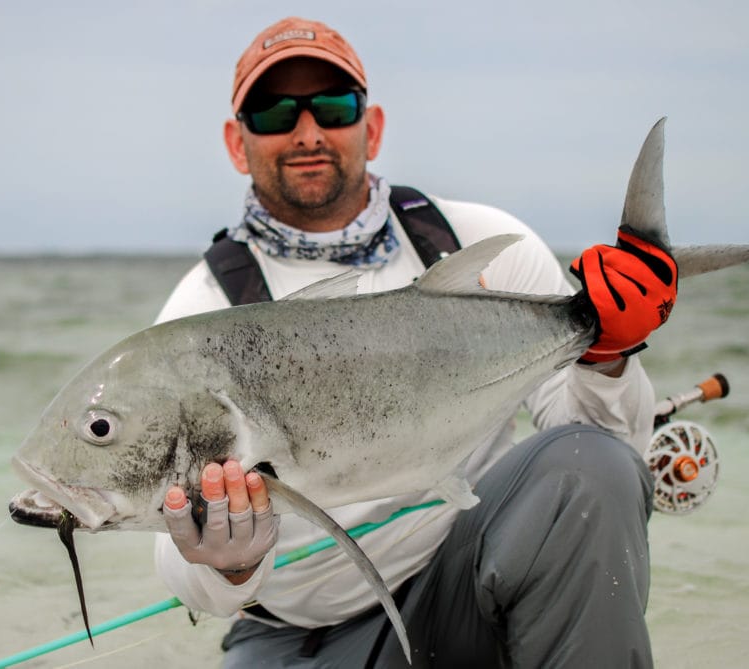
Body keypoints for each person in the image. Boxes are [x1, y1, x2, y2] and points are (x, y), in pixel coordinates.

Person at [153, 16, 673, 668]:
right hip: (301, 638)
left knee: (590, 463)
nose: (308, 131)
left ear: (370, 128)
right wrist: (227, 565)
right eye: (275, 112)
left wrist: (607, 355)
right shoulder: (201, 314)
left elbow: (604, 458)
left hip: (465, 585)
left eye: (334, 107)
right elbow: (174, 560)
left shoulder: (477, 242)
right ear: (237, 142)